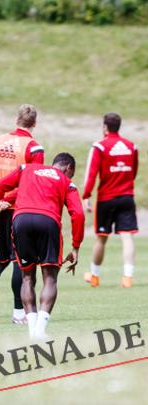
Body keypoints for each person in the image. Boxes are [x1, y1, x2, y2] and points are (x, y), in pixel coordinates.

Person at [0, 153, 85, 340]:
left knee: (27, 277)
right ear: (68, 168)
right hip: (48, 221)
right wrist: (76, 246)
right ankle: (40, 331)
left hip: (21, 221)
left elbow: (0, 186)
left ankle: (32, 332)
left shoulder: (27, 169)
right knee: (50, 278)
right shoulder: (66, 182)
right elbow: (79, 215)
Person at [0, 104, 45, 325]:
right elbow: (32, 180)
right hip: (18, 211)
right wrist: (9, 199)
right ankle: (18, 313)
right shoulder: (34, 148)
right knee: (19, 261)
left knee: (1, 258)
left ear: (16, 119)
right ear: (34, 123)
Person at [82, 113, 139, 288]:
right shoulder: (131, 146)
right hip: (127, 197)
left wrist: (86, 195)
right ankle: (127, 277)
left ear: (105, 127)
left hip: (106, 199)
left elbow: (91, 173)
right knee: (127, 237)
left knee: (101, 238)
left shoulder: (99, 146)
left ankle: (95, 276)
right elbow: (134, 171)